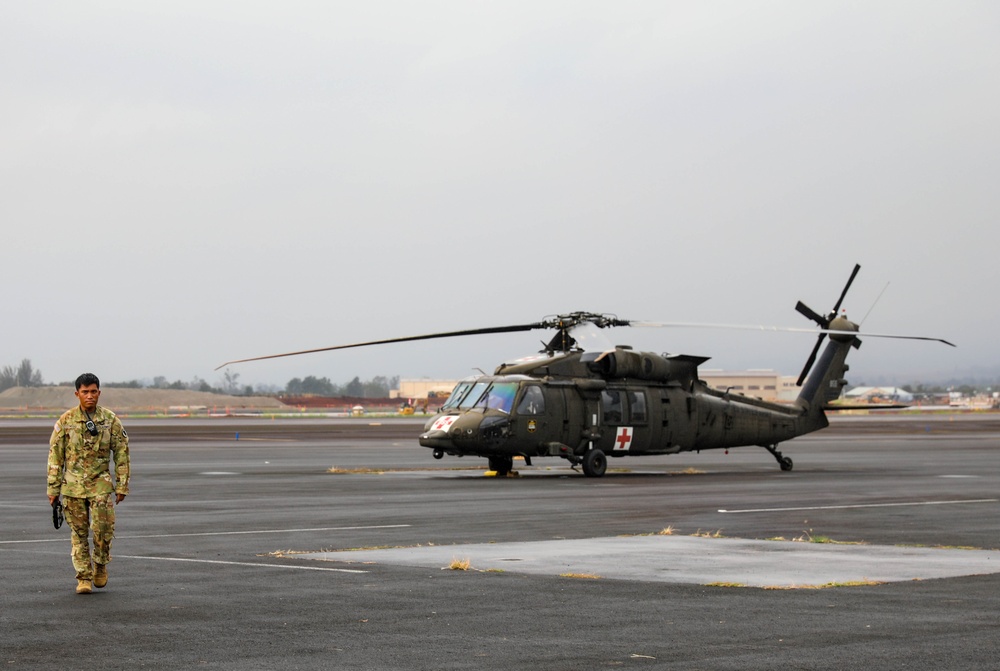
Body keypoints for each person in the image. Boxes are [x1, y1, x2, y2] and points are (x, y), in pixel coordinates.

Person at [47, 373, 130, 594]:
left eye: (93, 391)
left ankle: (100, 564)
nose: (90, 396)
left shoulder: (110, 420)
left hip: (100, 484)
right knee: (78, 533)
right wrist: (53, 489)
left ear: (99, 393)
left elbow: (122, 453)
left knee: (103, 529)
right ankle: (83, 577)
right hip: (72, 486)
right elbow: (56, 456)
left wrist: (122, 485)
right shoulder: (65, 421)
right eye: (85, 392)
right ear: (77, 394)